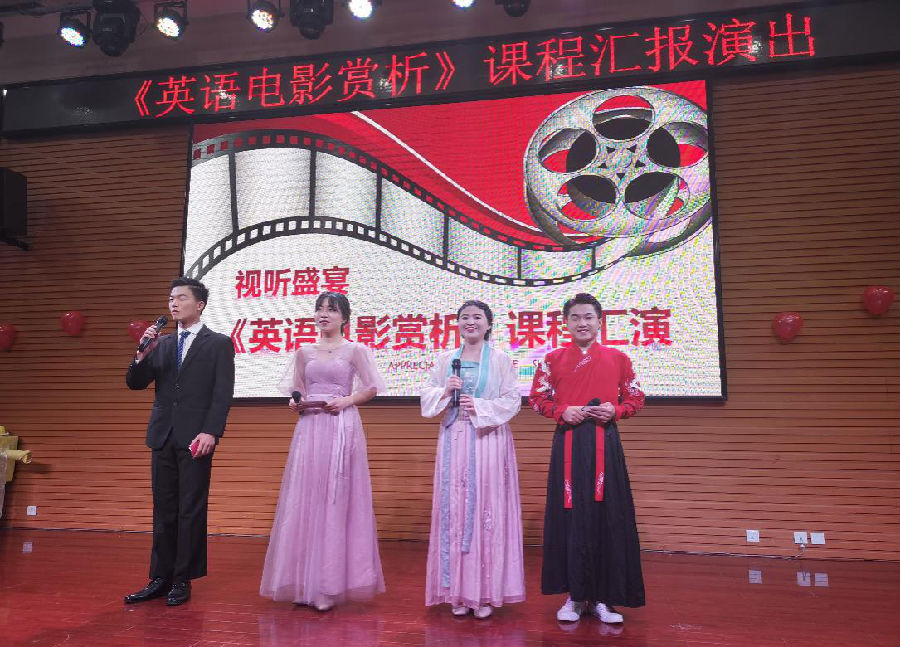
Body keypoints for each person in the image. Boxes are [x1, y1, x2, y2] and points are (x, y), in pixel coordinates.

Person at [260, 292, 385, 610]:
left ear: (345, 318)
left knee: (334, 499)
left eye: (332, 310)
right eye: (319, 309)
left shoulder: (356, 350)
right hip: (310, 428)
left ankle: (328, 586)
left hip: (341, 425)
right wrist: (295, 402)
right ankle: (304, 583)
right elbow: (297, 388)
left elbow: (371, 387)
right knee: (306, 500)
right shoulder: (304, 351)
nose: (323, 314)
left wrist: (347, 400)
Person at [529, 292, 645, 624]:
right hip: (568, 443)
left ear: (599, 322)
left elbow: (636, 396)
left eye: (588, 317)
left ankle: (605, 599)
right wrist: (562, 411)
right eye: (575, 317)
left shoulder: (618, 358)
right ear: (565, 323)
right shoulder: (551, 359)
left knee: (608, 516)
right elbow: (537, 399)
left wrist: (616, 410)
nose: (582, 323)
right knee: (570, 517)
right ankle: (575, 597)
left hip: (605, 443)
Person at [124, 277, 235, 607]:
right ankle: (160, 577)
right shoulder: (161, 343)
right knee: (164, 509)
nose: (173, 303)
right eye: (171, 298)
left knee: (190, 509)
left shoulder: (218, 344)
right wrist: (141, 355)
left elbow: (222, 393)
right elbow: (135, 383)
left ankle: (182, 578)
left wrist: (211, 431)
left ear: (199, 304)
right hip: (162, 434)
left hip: (196, 437)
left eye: (181, 298)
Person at [420, 300, 525, 619]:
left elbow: (512, 399)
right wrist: (443, 391)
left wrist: (479, 406)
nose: (470, 322)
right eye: (464, 317)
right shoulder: (446, 359)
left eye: (477, 317)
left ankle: (484, 593)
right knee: (454, 511)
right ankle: (457, 592)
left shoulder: (500, 359)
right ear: (457, 324)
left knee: (484, 509)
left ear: (489, 324)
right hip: (453, 438)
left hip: (487, 437)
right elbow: (427, 394)